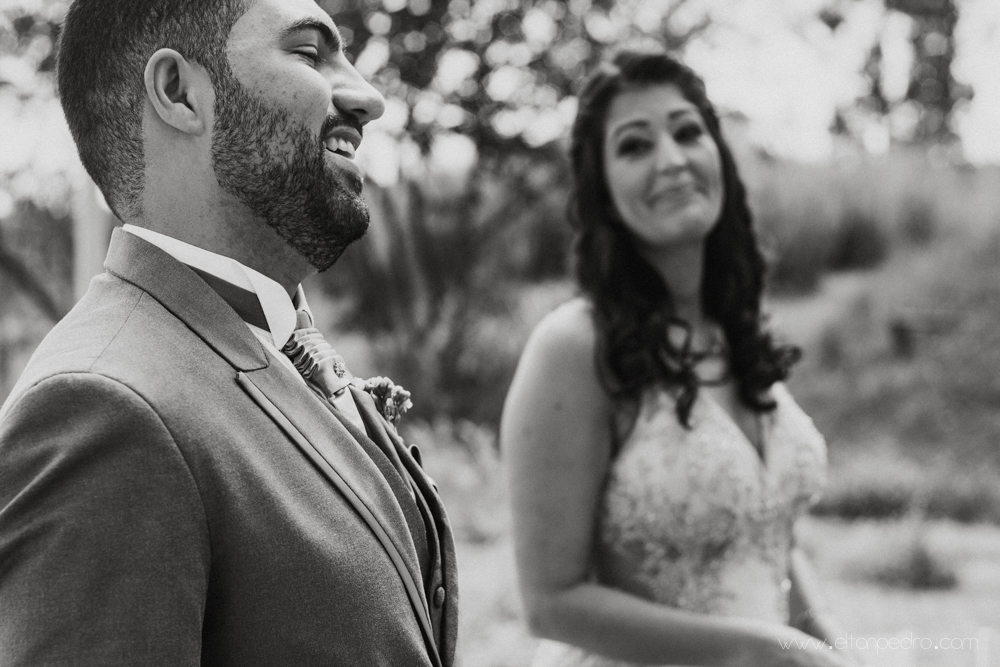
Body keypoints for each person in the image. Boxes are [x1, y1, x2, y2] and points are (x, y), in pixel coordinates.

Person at [0, 0, 457, 665]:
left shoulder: (277, 342)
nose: (368, 97)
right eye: (309, 53)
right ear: (179, 92)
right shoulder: (104, 407)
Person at [501, 49, 855, 667]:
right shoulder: (575, 346)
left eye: (688, 132)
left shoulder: (733, 330)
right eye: (635, 146)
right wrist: (762, 651)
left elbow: (767, 535)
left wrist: (823, 639)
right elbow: (550, 603)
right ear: (603, 189)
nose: (671, 160)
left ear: (718, 155)